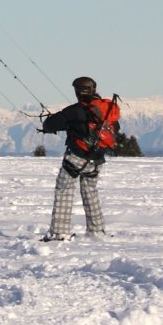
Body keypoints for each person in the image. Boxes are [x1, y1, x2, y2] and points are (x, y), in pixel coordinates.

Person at [38, 76, 118, 241]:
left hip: (76, 157)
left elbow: (49, 125)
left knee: (64, 189)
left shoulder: (75, 110)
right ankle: (96, 231)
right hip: (97, 159)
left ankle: (60, 233)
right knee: (90, 192)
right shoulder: (107, 109)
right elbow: (115, 128)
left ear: (78, 92)